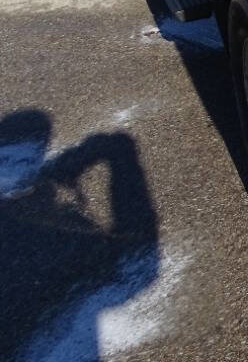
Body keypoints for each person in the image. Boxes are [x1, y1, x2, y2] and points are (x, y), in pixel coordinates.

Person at [0, 109, 158, 361]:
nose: (12, 172)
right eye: (7, 160)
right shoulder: (51, 241)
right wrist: (122, 157)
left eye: (24, 163)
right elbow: (137, 257)